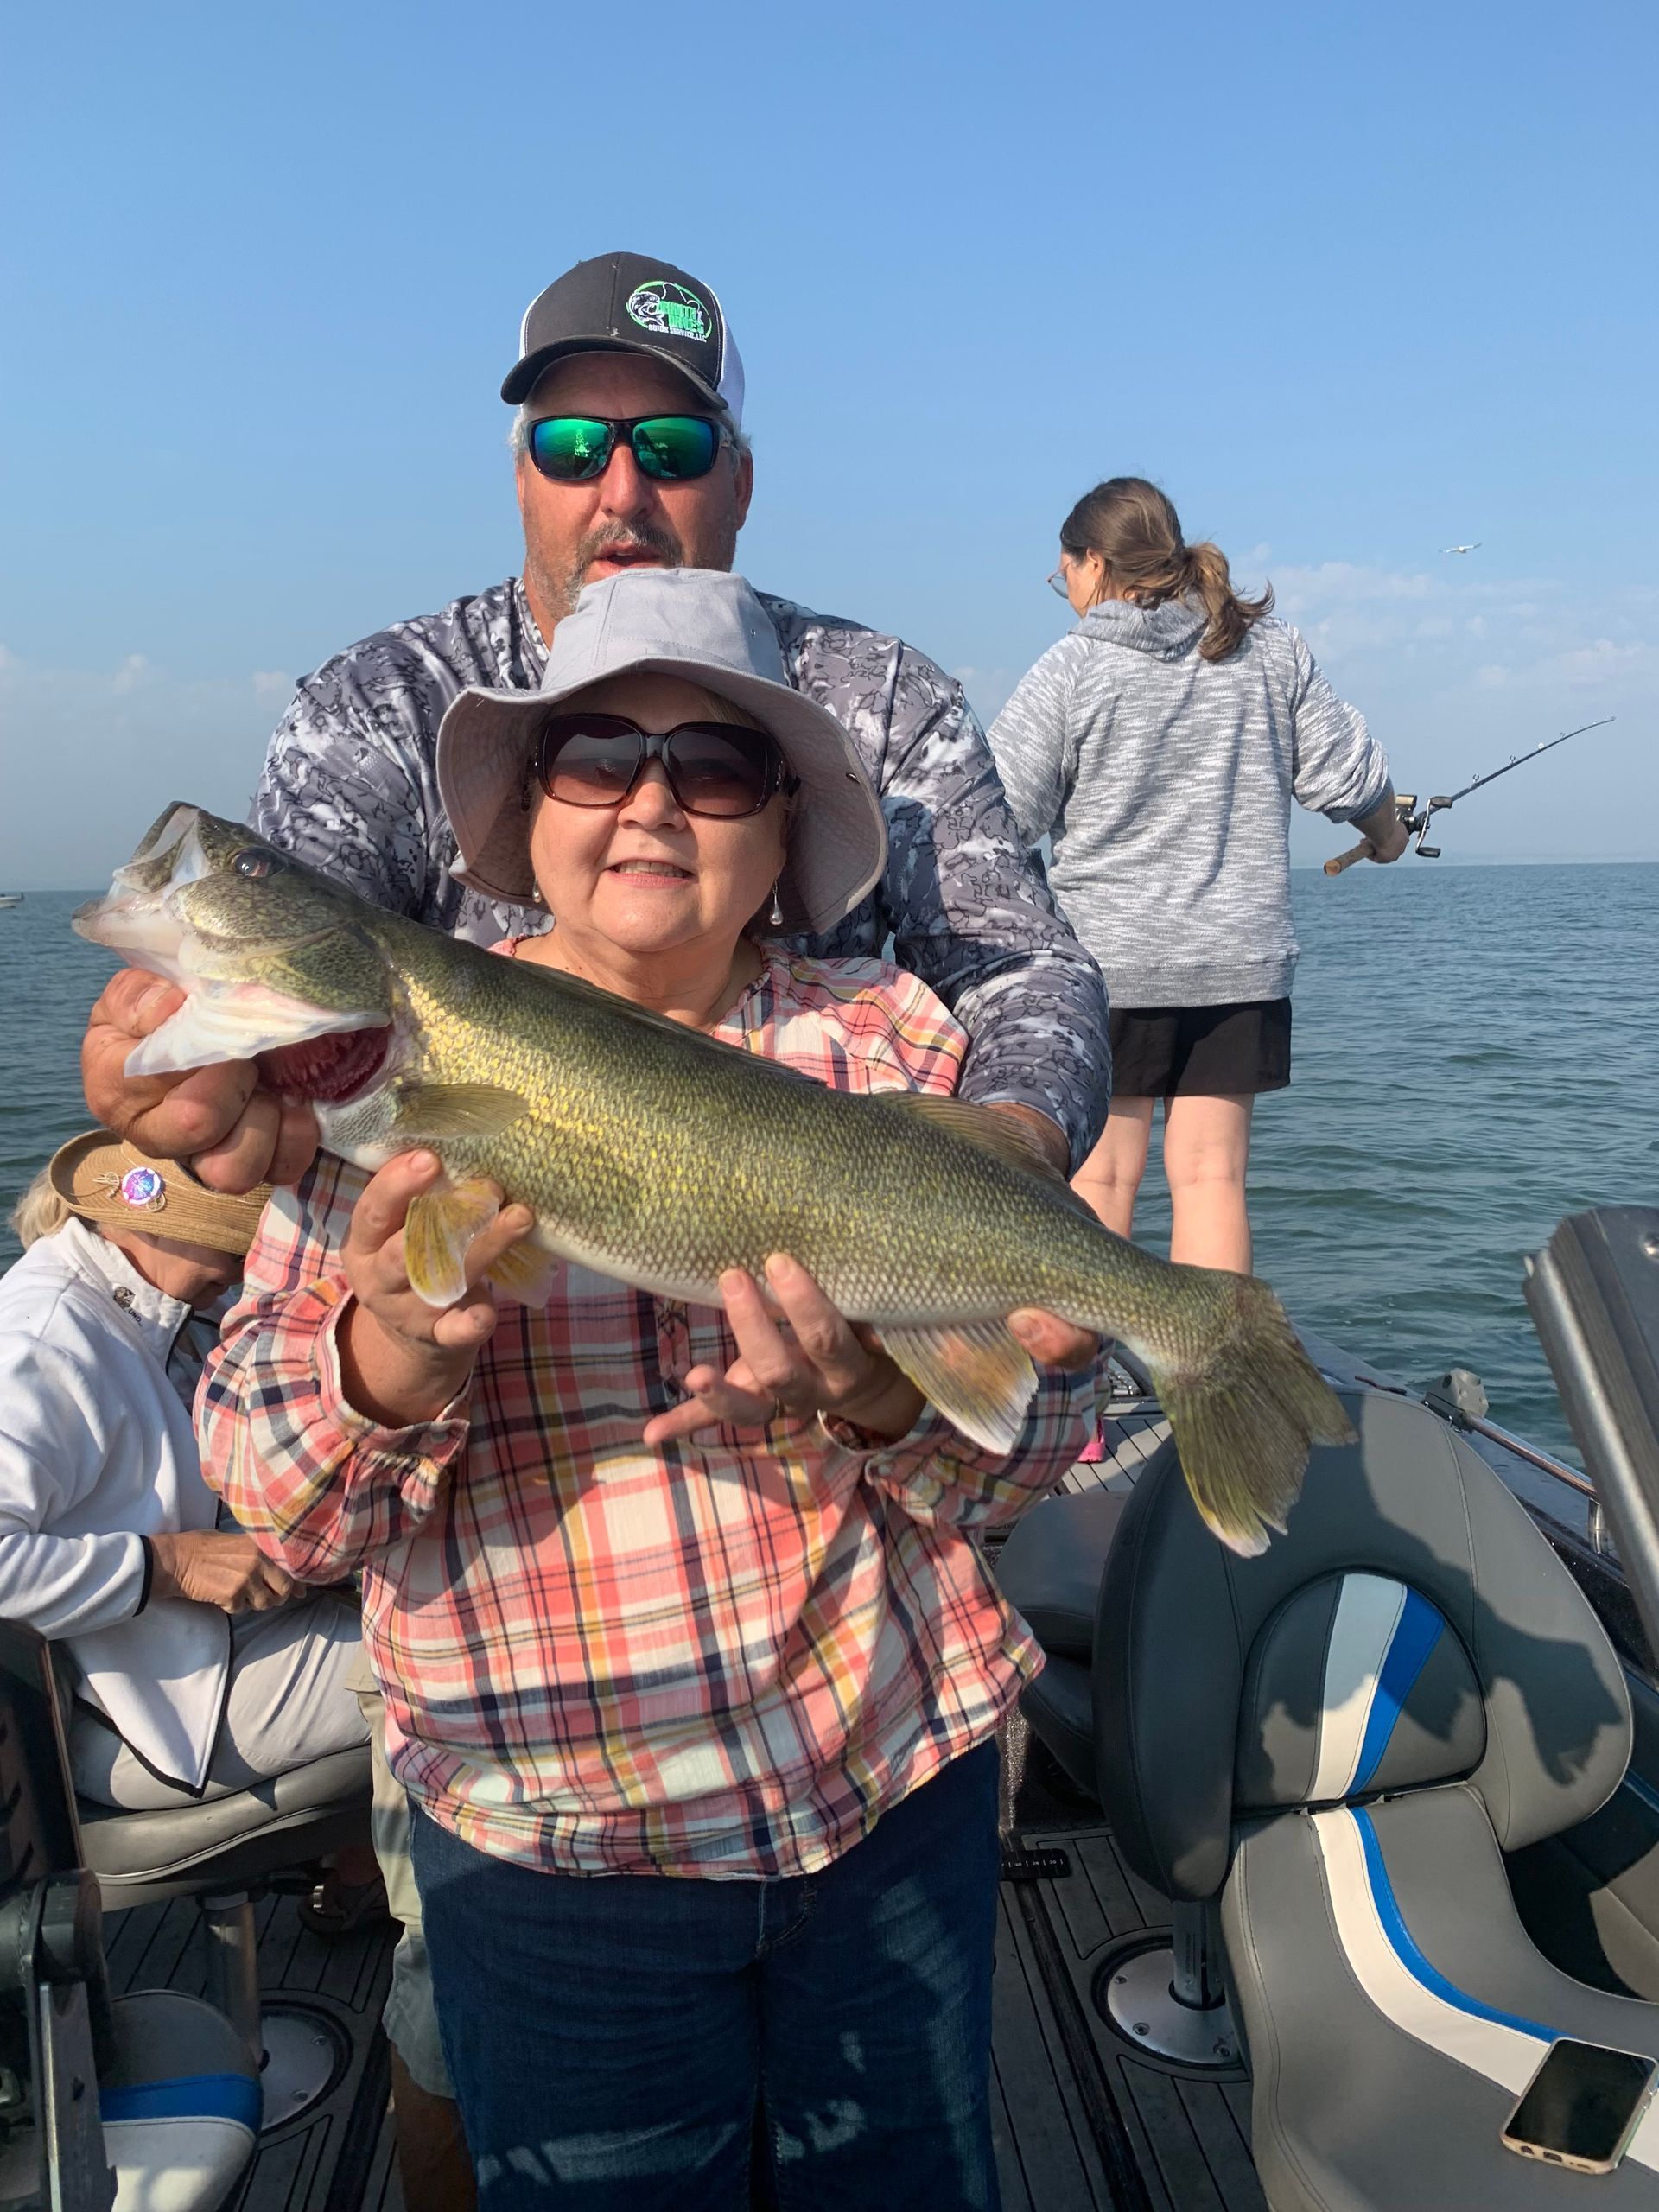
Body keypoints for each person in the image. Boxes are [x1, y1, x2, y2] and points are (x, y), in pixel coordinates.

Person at [200, 569, 1095, 2212]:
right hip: (556, 1853)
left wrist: (878, 1398)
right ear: (528, 811)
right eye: (597, 755)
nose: (653, 802)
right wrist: (395, 1352)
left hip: (891, 1793)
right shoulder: (375, 1067)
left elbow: (1034, 1455)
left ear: (784, 828)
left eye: (719, 767)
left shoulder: (890, 1042)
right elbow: (281, 1511)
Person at [82, 249, 1109, 1205]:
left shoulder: (884, 696)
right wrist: (209, 1068)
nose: (624, 491)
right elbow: (310, 952)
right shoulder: (378, 702)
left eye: (674, 447)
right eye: (572, 447)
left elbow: (1019, 968)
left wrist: (999, 1192)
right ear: (521, 480)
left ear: (742, 484)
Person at [989, 476, 1407, 1274]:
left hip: (1109, 968)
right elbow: (1350, 778)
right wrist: (1386, 837)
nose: (1065, 590)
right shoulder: (1269, 650)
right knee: (1213, 1178)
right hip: (1238, 963)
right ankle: (1213, 1354)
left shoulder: (1073, 668)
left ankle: (1090, 1353)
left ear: (1095, 563)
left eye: (1063, 572)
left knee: (1102, 1178)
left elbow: (999, 815)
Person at [0, 1133, 367, 1809]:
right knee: (451, 1666)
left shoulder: (160, 1310)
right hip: (154, 1709)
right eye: (237, 1248)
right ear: (154, 1222)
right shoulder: (43, 1344)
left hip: (209, 1650)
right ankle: (391, 1869)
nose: (245, 1271)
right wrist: (173, 1564)